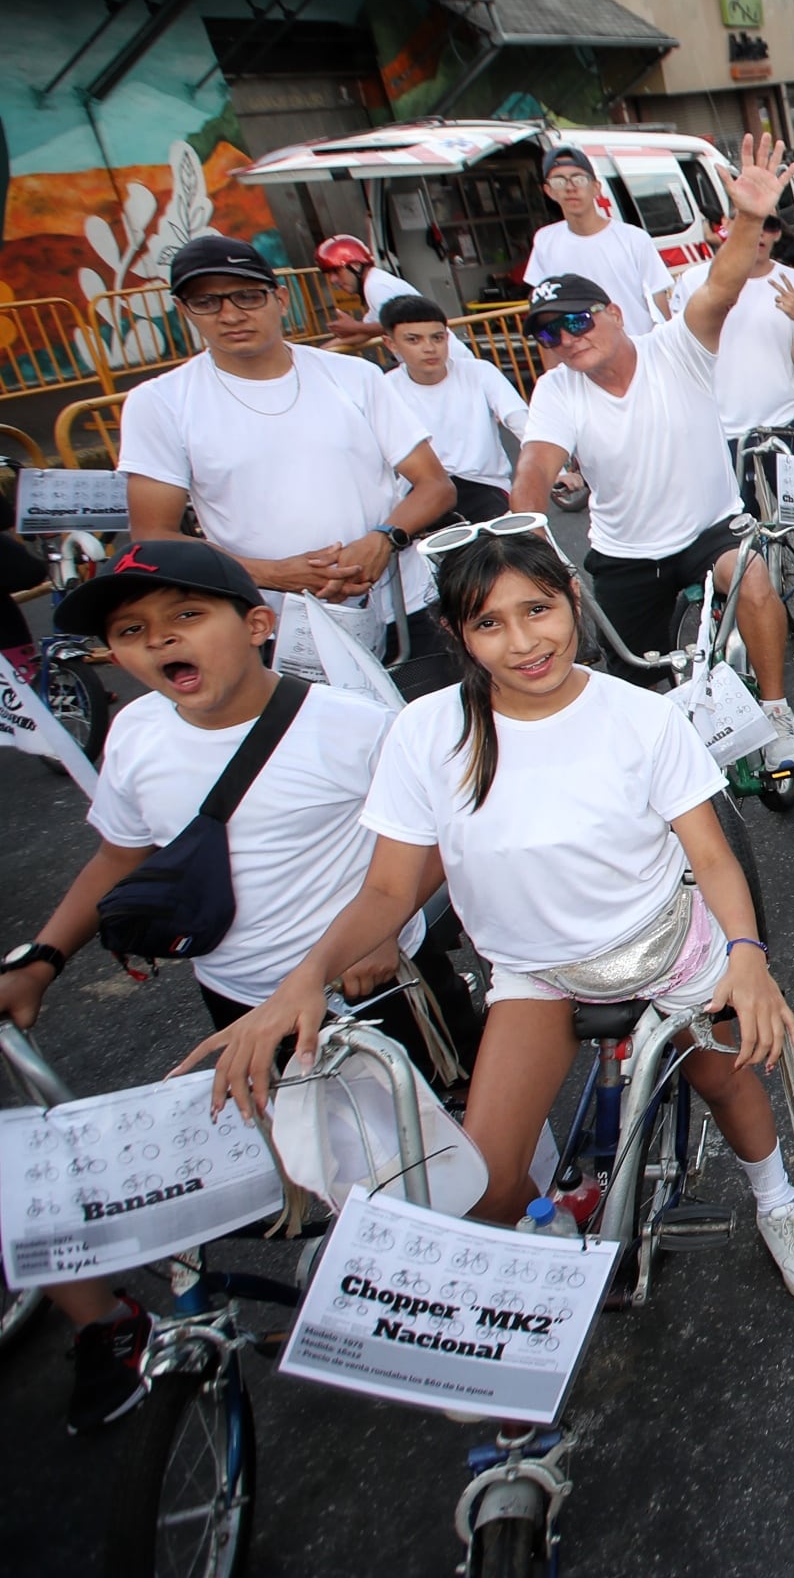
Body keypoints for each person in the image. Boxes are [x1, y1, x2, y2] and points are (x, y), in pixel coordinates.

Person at [184, 527, 794, 1298]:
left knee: (730, 1084)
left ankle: (776, 1197)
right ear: (455, 634)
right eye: (489, 623)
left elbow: (714, 858)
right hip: (535, 973)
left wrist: (748, 958)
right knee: (490, 1188)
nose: (524, 641)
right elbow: (390, 893)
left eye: (539, 609)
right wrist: (306, 979)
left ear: (573, 601)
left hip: (667, 949)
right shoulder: (427, 732)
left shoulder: (643, 717)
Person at [7, 541, 482, 1430]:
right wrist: (42, 958)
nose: (160, 641)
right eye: (132, 631)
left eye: (187, 617)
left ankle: (459, 1318)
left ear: (259, 626)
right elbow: (121, 852)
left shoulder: (350, 726)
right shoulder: (135, 735)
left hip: (379, 995)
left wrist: (369, 947)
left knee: (445, 1170)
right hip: (238, 1008)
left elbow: (428, 848)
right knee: (312, 1168)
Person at [508, 134, 794, 771]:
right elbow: (536, 464)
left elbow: (721, 288)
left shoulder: (675, 345)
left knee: (753, 580)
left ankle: (778, 711)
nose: (565, 339)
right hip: (624, 552)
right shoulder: (557, 389)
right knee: (633, 684)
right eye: (547, 332)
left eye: (577, 321)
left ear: (614, 313)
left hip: (709, 529)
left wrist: (750, 217)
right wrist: (523, 539)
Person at [119, 234, 458, 689]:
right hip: (267, 626)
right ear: (184, 311)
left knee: (438, 744)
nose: (231, 314)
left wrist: (383, 540)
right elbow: (153, 536)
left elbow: (435, 484)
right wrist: (272, 575)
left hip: (401, 607)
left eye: (247, 296)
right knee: (323, 752)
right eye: (207, 302)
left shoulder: (354, 376)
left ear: (280, 299)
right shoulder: (159, 403)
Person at [677, 209, 794, 608]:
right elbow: (679, 356)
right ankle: (733, 607)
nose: (761, 233)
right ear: (729, 226)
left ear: (778, 233)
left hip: (785, 423)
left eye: (770, 225)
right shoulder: (696, 282)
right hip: (719, 429)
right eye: (750, 221)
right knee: (726, 533)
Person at [374, 293, 530, 525]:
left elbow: (519, 419)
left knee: (524, 552)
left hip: (486, 485)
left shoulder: (479, 372)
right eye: (414, 340)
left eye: (437, 338)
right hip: (420, 492)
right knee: (417, 555)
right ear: (391, 343)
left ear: (447, 338)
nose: (429, 348)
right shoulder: (384, 388)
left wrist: (558, 471)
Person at [526, 148, 674, 330]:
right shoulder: (544, 241)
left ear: (596, 187)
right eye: (559, 181)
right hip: (580, 354)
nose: (570, 187)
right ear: (549, 191)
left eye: (579, 179)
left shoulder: (634, 238)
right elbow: (544, 310)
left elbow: (658, 299)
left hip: (637, 348)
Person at [318, 235, 477, 364]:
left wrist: (354, 327)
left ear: (356, 265)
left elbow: (397, 325)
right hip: (434, 364)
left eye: (336, 271)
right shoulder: (373, 285)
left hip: (447, 362)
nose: (333, 280)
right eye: (329, 274)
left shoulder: (377, 286)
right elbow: (367, 331)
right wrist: (321, 351)